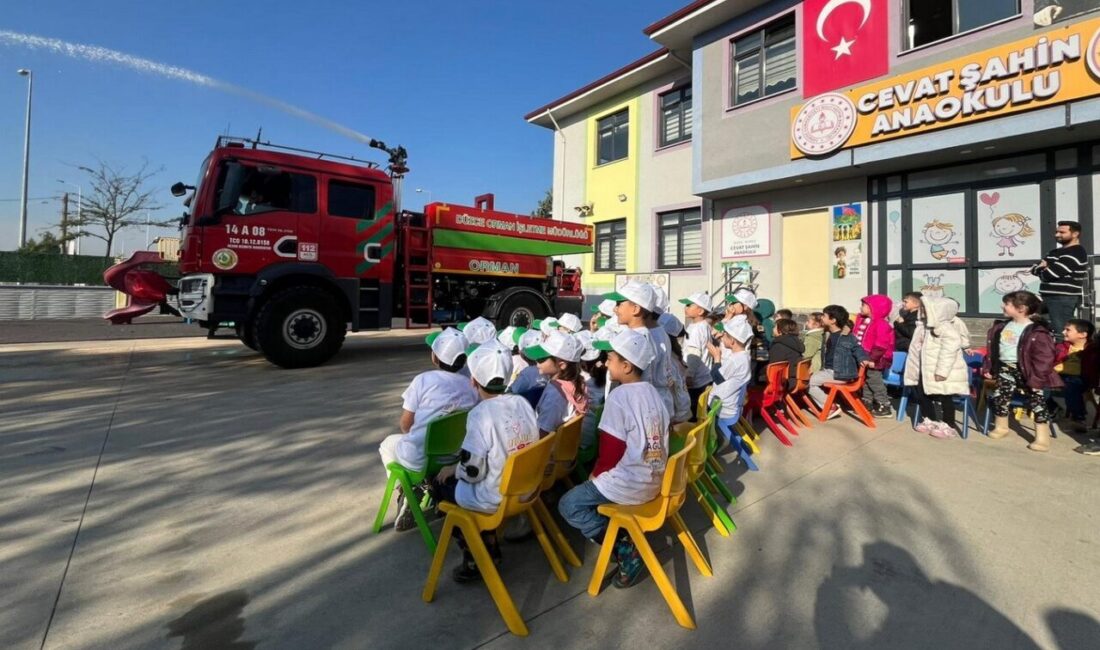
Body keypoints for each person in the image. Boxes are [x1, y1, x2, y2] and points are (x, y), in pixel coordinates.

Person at [558, 328, 670, 589]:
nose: (605, 362)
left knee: (569, 504)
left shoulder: (619, 397)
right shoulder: (654, 394)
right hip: (653, 479)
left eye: (610, 358)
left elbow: (611, 449)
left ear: (627, 365)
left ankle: (623, 547)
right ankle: (622, 537)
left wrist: (595, 476)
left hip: (628, 482)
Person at [432, 343, 540, 583]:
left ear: (473, 380)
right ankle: (487, 539)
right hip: (528, 488)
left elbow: (473, 472)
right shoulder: (522, 403)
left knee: (441, 485)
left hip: (498, 497)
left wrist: (453, 469)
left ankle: (477, 555)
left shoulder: (480, 414)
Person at [378, 327, 479, 531]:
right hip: (453, 458)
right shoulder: (472, 386)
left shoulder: (423, 380)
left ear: (435, 357)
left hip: (419, 459)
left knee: (386, 445)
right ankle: (427, 485)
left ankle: (407, 489)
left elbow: (405, 425)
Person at [982, 291, 1062, 452]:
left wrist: (1037, 379)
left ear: (1021, 308)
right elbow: (993, 350)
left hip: (1029, 371)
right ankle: (1001, 426)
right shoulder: (1001, 326)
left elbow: (1044, 358)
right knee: (1000, 398)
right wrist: (989, 367)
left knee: (1037, 402)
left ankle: (1042, 437)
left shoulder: (1037, 331)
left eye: (1007, 304)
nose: (1002, 306)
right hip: (1005, 368)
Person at [903, 297, 970, 438]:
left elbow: (949, 352)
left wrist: (942, 371)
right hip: (924, 369)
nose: (923, 311)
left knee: (945, 396)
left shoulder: (945, 328)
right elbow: (915, 349)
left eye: (926, 309)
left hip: (942, 371)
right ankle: (930, 419)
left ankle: (948, 425)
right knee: (922, 394)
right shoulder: (922, 326)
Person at [606, 282, 673, 420]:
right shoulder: (643, 334)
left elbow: (642, 381)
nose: (615, 309)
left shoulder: (637, 339)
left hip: (636, 412)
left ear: (635, 309)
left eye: (619, 304)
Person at [1029, 220, 1089, 341]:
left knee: (1062, 332)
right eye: (1056, 232)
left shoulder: (1077, 252)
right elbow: (1033, 269)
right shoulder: (1054, 252)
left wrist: (1044, 268)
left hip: (1062, 297)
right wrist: (1042, 268)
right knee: (1045, 330)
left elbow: (1050, 274)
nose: (1057, 235)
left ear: (1075, 234)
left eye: (1062, 232)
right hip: (1046, 297)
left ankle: (1065, 358)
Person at [807, 305, 871, 418]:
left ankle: (830, 406)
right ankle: (829, 404)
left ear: (833, 320)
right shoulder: (827, 333)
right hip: (830, 371)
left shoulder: (847, 336)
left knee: (808, 382)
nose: (821, 317)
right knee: (810, 377)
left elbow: (857, 348)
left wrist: (862, 358)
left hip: (839, 373)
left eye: (824, 316)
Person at [523, 331, 589, 438]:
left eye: (541, 359)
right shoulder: (577, 382)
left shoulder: (555, 394)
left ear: (562, 365)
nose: (537, 362)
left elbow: (543, 434)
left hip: (549, 450)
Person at [852, 295, 896, 418]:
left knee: (875, 381)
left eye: (864, 305)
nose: (861, 307)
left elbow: (881, 344)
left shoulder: (881, 324)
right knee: (866, 379)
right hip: (865, 356)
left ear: (874, 308)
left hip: (876, 358)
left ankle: (884, 405)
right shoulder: (864, 321)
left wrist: (872, 359)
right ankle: (867, 401)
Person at [1054, 319, 1096, 433]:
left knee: (1072, 386)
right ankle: (1053, 408)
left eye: (1068, 330)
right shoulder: (1061, 346)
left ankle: (1079, 419)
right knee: (1038, 383)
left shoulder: (1091, 350)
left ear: (1082, 335)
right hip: (1056, 375)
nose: (1063, 332)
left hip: (1080, 378)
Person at [711, 317, 754, 427]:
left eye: (724, 335)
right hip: (736, 405)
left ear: (733, 341)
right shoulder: (744, 356)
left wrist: (717, 357)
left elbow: (717, 377)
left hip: (725, 409)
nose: (722, 337)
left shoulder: (735, 360)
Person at [679, 291, 716, 418]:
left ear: (700, 311)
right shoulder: (705, 325)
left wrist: (689, 376)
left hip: (696, 379)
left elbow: (694, 355)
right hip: (705, 377)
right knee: (702, 412)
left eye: (689, 305)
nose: (686, 308)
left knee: (694, 414)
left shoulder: (694, 330)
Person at [769, 318, 805, 392]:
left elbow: (773, 366)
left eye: (775, 327)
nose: (773, 329)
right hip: (797, 379)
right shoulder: (796, 342)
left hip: (784, 381)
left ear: (780, 331)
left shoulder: (779, 345)